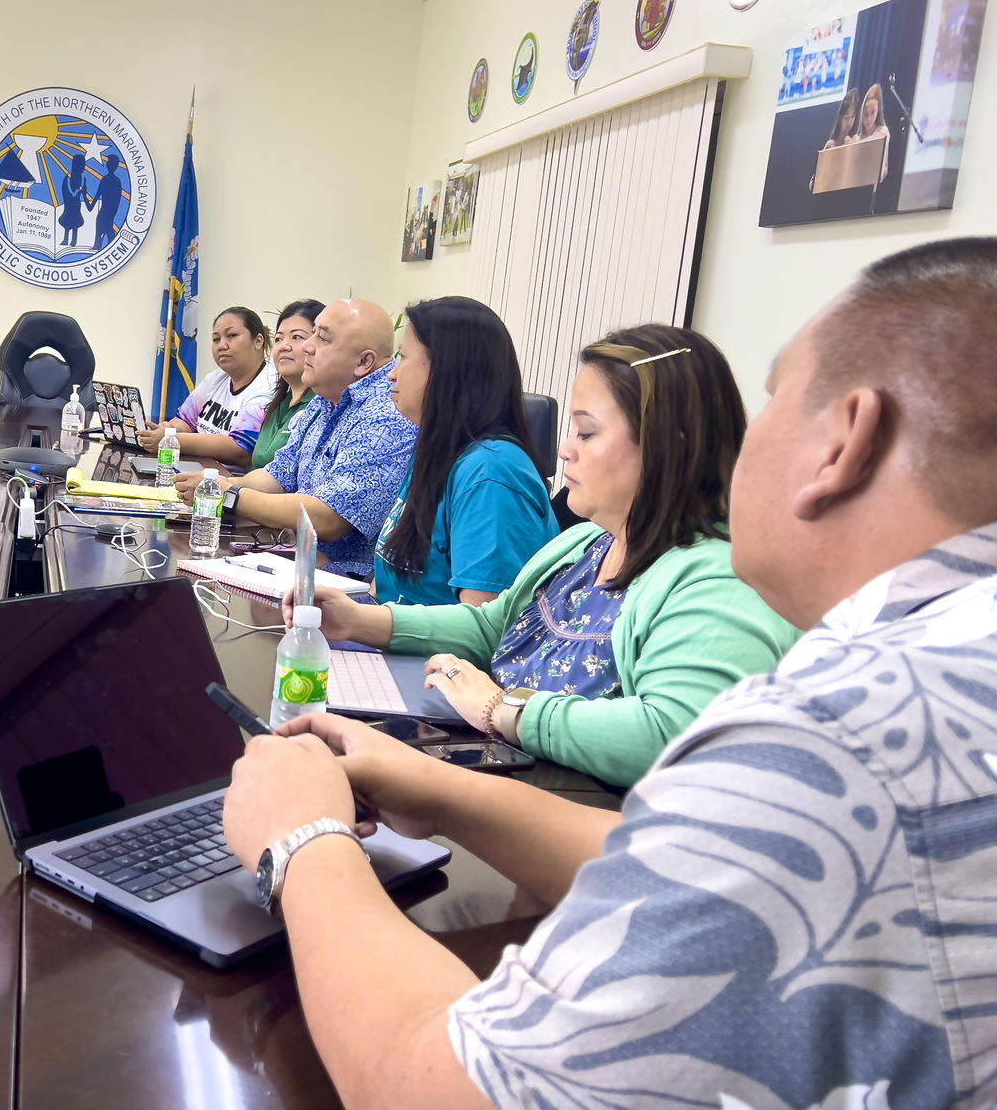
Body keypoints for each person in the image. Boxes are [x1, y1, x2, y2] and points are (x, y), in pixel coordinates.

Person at [221, 238, 997, 1110]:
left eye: (777, 400)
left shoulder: (847, 730)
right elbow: (685, 851)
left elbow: (450, 1091)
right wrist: (431, 789)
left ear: (844, 440)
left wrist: (300, 843)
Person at [299, 323, 797, 787]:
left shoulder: (719, 579)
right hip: (494, 770)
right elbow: (495, 626)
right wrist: (359, 621)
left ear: (671, 446)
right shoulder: (587, 542)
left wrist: (503, 708)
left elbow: (673, 735)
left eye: (586, 431)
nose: (564, 451)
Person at [175, 298, 417, 577]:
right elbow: (278, 475)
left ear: (364, 361)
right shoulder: (326, 399)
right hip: (301, 558)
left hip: (348, 581)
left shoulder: (386, 413)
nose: (308, 347)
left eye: (321, 338)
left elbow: (328, 518)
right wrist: (217, 485)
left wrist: (229, 495)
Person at [373, 297, 558, 607]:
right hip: (390, 642)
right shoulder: (437, 449)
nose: (392, 374)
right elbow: (383, 588)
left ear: (448, 371)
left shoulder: (491, 472)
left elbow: (481, 626)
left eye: (403, 357)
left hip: (436, 655)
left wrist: (365, 625)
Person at [137, 307, 276, 467]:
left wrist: (171, 439)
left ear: (258, 341)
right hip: (193, 468)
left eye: (232, 336)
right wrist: (167, 429)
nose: (222, 345)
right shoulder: (216, 378)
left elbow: (240, 450)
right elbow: (185, 422)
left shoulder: (269, 386)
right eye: (216, 339)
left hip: (229, 481)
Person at [251, 299, 325, 470]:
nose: (283, 346)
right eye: (278, 339)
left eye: (296, 337)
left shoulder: (322, 405)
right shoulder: (278, 403)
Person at [859, 82, 891, 180]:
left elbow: (885, 168)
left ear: (878, 111)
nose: (868, 118)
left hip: (871, 186)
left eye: (872, 112)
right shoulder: (856, 138)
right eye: (865, 114)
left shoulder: (882, 132)